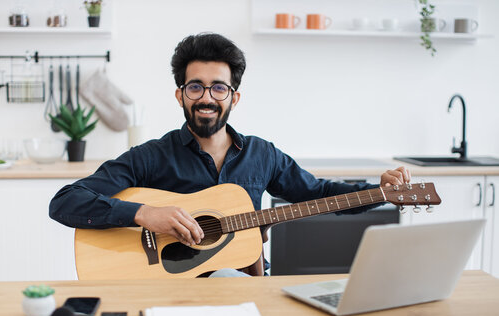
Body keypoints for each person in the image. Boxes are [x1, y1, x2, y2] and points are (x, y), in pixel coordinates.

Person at [49, 33, 411, 277]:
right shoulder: (150, 157)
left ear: (233, 98)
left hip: (247, 281)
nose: (207, 98)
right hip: (168, 289)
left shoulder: (263, 154)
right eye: (195, 87)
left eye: (218, 88)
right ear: (181, 96)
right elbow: (66, 201)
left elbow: (318, 194)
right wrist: (145, 214)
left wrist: (379, 191)